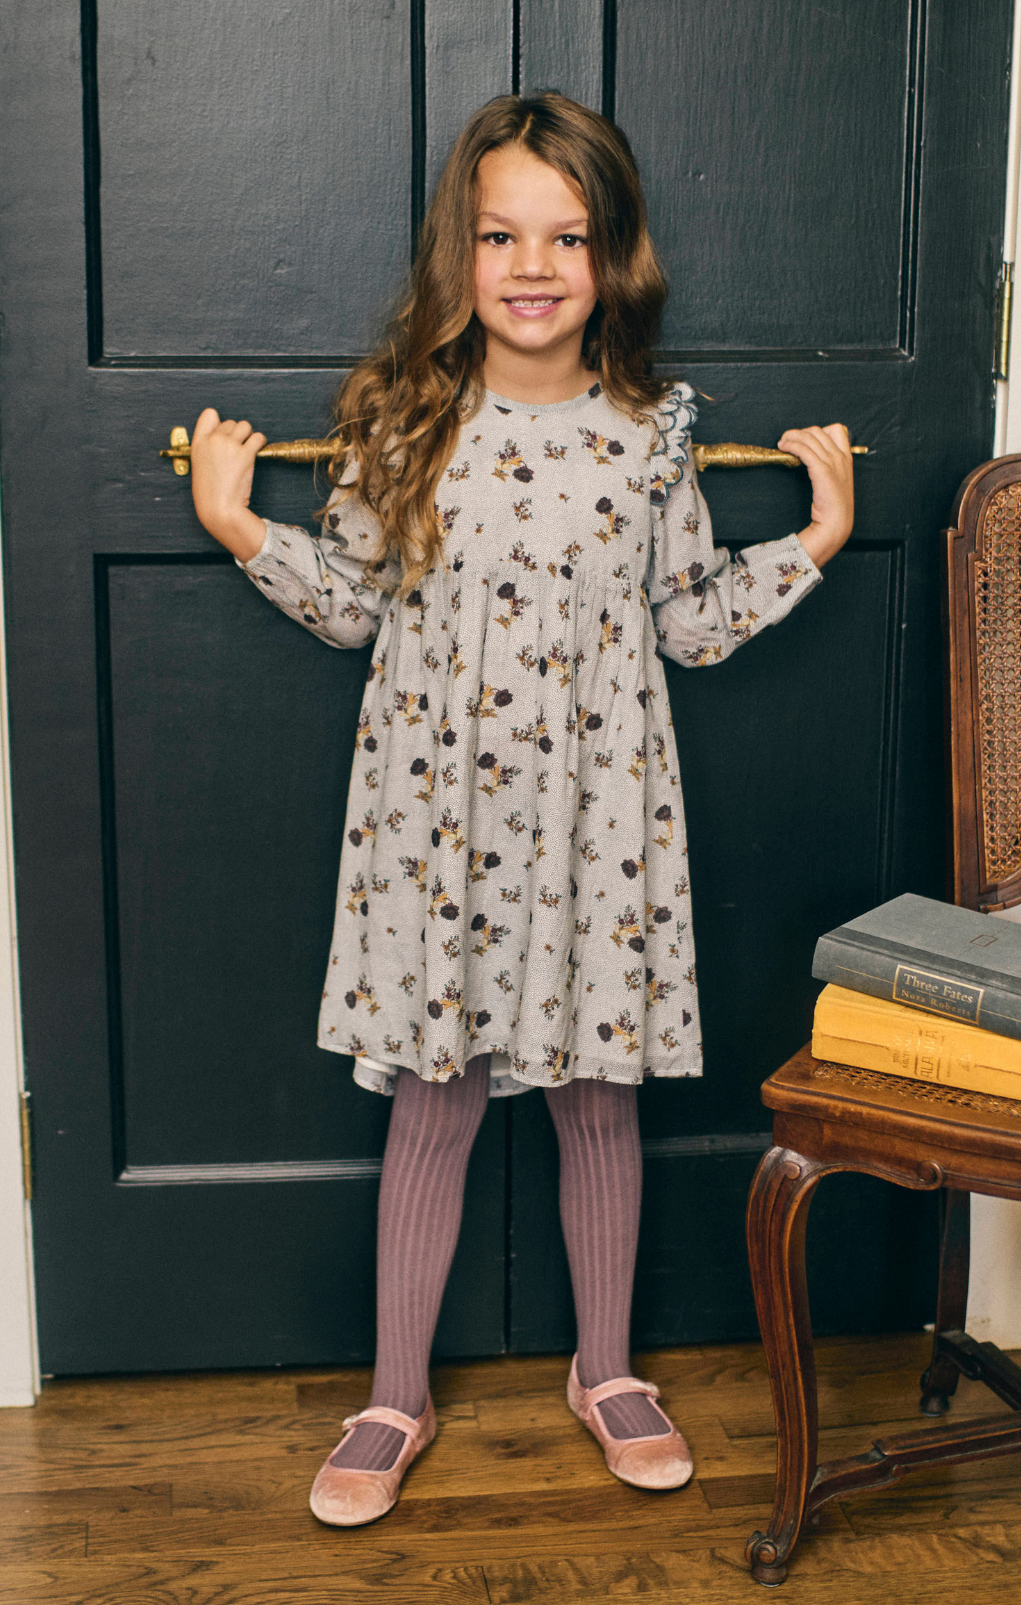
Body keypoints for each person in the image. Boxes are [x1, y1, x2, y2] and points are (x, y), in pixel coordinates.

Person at [189, 92, 853, 1527]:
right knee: (432, 1103)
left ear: (612, 255)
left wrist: (811, 540)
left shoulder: (647, 438)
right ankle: (394, 1393)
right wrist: (246, 526)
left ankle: (605, 1370)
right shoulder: (404, 419)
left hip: (595, 832)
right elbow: (354, 602)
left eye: (566, 235)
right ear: (461, 252)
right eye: (501, 234)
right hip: (434, 842)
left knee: (595, 1101)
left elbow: (686, 621)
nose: (533, 265)